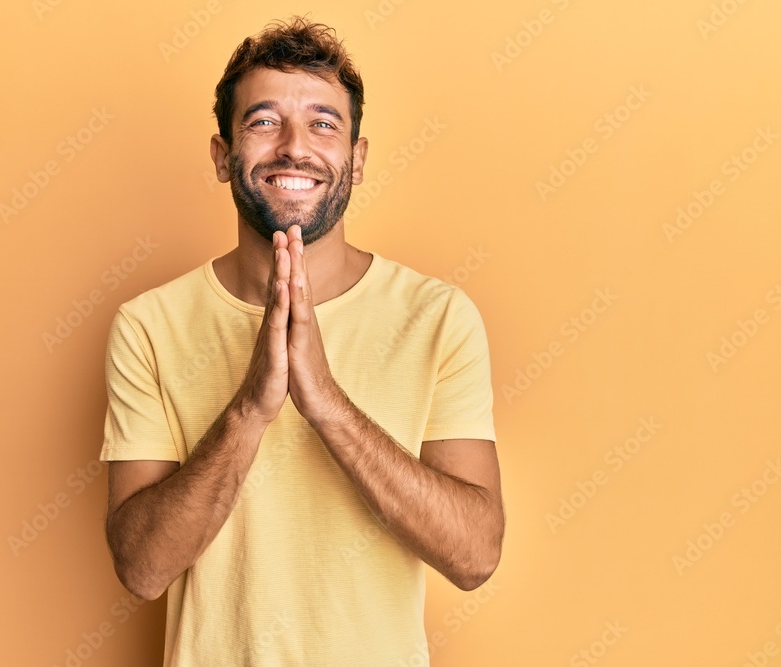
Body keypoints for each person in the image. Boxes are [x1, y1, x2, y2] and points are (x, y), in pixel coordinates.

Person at [100, 15, 505, 666]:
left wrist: (327, 405)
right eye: (263, 121)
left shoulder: (437, 317)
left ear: (358, 159)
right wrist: (251, 408)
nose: (294, 147)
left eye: (323, 123)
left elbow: (476, 554)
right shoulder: (148, 325)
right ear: (221, 155)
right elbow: (142, 568)